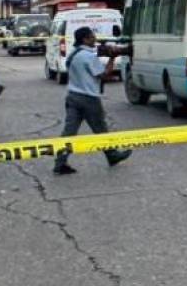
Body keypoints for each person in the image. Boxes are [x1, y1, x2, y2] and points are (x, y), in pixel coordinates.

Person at [54, 26, 132, 175]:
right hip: (89, 98)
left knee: (69, 132)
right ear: (85, 39)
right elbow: (104, 74)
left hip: (72, 96)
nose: (95, 39)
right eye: (92, 37)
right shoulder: (88, 56)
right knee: (101, 130)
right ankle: (112, 155)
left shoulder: (74, 53)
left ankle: (60, 162)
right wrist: (112, 57)